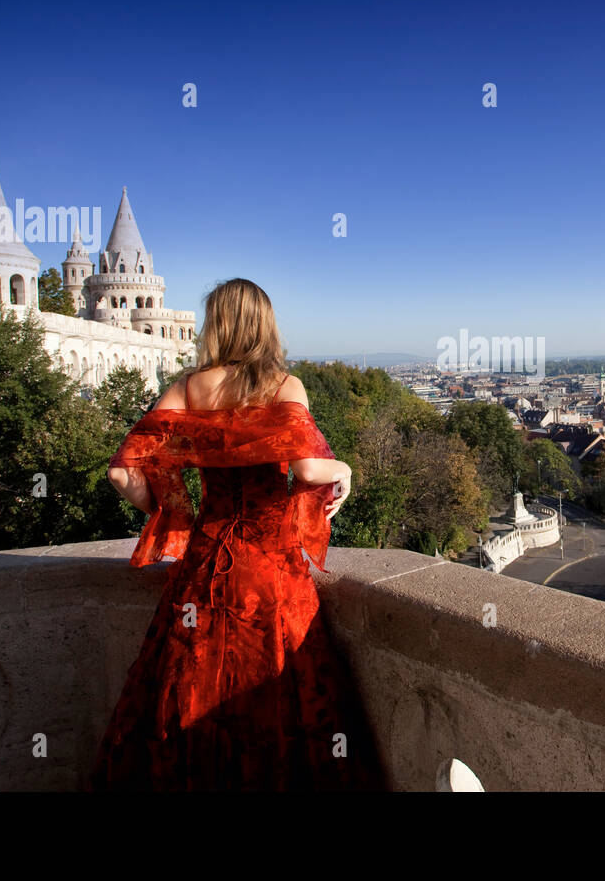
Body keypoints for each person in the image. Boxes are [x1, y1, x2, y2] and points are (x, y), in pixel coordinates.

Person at [90, 278, 386, 791]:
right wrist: (346, 468)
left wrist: (173, 510)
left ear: (216, 324)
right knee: (286, 689)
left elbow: (122, 472)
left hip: (204, 564)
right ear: (265, 323)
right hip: (272, 569)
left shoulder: (188, 388)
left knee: (190, 682)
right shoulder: (282, 386)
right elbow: (310, 471)